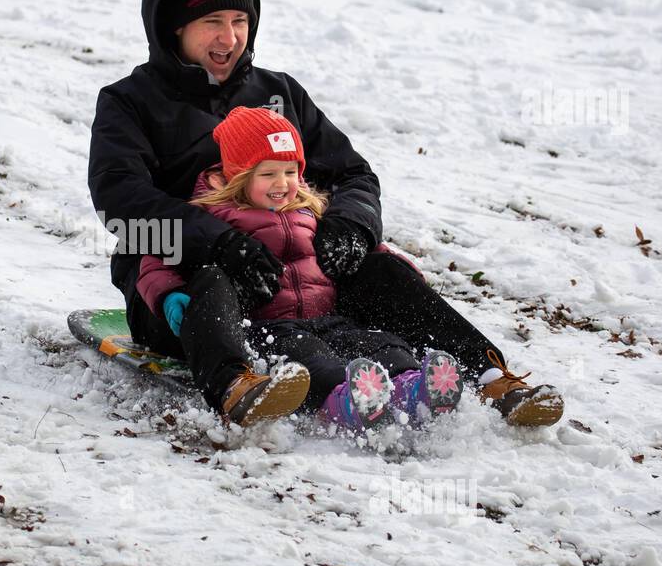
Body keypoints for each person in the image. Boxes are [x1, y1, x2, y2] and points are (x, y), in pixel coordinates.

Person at [88, 0, 563, 429]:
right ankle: (234, 382)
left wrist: (349, 228)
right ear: (174, 26)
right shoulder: (131, 103)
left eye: (240, 21)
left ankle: (488, 376)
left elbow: (353, 174)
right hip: (182, 285)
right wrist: (218, 242)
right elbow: (120, 205)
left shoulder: (278, 93)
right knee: (212, 277)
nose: (229, 38)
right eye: (212, 22)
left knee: (383, 270)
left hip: (297, 275)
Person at [138, 107, 465, 436]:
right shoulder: (213, 215)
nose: (282, 184)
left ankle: (411, 391)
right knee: (312, 359)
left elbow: (367, 250)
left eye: (291, 172)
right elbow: (157, 258)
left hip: (327, 318)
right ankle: (343, 404)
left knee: (381, 344)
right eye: (268, 174)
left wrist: (401, 269)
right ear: (238, 175)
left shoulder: (310, 209)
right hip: (270, 328)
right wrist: (168, 295)